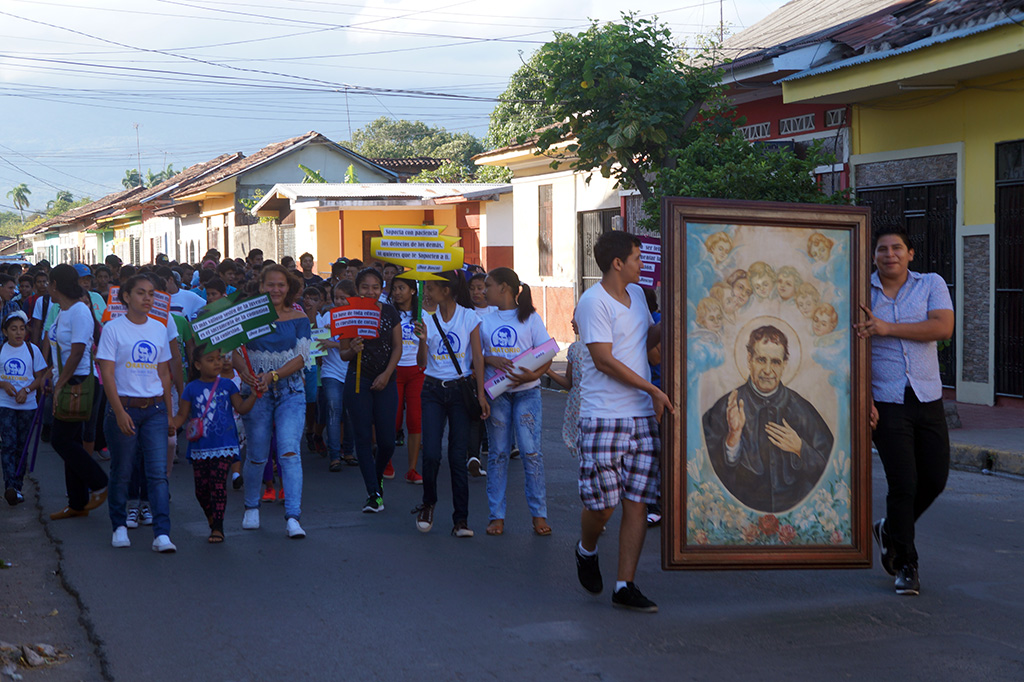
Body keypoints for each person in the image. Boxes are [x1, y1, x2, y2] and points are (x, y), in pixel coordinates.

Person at [573, 230, 672, 613]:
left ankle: (624, 585)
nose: (642, 264)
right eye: (636, 258)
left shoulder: (637, 299)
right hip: (603, 416)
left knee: (638, 503)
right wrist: (653, 389)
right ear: (618, 263)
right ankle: (586, 549)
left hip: (642, 416)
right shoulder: (593, 302)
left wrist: (672, 319)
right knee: (604, 506)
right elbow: (603, 360)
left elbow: (648, 343)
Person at [856, 228, 954, 597]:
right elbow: (851, 346)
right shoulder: (859, 291)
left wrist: (886, 327)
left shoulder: (930, 283)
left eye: (897, 248)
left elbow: (942, 327)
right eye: (882, 249)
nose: (890, 254)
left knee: (935, 479)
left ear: (910, 253)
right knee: (904, 483)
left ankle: (890, 530)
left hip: (927, 397)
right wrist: (863, 398)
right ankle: (906, 564)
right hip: (885, 401)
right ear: (874, 256)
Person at [701, 325, 834, 513]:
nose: (768, 370)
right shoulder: (726, 407)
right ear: (749, 360)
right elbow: (704, 471)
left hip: (794, 510)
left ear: (784, 365)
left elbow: (832, 469)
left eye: (776, 362)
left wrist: (800, 449)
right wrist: (733, 438)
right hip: (742, 511)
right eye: (761, 360)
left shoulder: (802, 410)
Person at [97, 274, 177, 552]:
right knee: (122, 470)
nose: (148, 299)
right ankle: (119, 526)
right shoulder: (113, 329)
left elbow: (164, 373)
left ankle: (162, 533)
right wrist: (118, 411)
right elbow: (106, 373)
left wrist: (168, 413)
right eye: (141, 293)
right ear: (126, 297)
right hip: (124, 407)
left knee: (157, 473)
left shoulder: (159, 328)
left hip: (154, 408)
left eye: (152, 294)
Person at [233, 264, 311, 539]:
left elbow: (302, 357)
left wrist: (274, 375)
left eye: (281, 285)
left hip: (290, 392)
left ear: (288, 287)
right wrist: (246, 372)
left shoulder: (299, 317)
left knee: (290, 452)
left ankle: (293, 516)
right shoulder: (247, 317)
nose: (276, 289)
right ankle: (251, 507)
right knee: (256, 455)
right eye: (271, 284)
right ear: (261, 286)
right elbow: (236, 351)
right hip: (256, 393)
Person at [411, 270, 489, 537]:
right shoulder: (425, 319)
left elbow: (477, 357)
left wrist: (481, 394)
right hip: (432, 390)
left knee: (457, 456)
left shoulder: (469, 317)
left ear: (446, 291)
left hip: (460, 391)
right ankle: (428, 504)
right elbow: (422, 362)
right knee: (431, 453)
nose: (427, 293)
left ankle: (461, 519)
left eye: (431, 288)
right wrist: (422, 341)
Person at [479, 267, 553, 537]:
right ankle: (496, 515)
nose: (484, 290)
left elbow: (546, 353)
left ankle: (539, 514)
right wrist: (490, 360)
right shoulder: (484, 321)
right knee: (498, 455)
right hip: (496, 395)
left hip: (527, 393)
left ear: (504, 288)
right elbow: (476, 357)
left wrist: (534, 375)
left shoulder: (531, 318)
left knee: (531, 453)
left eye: (488, 285)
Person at [172, 346, 257, 543]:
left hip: (225, 445)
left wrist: (253, 394)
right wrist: (169, 426)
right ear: (197, 365)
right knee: (201, 489)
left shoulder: (228, 385)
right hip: (200, 447)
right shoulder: (191, 388)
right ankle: (211, 517)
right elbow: (182, 416)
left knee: (218, 485)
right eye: (211, 360)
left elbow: (241, 408)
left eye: (219, 358)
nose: (217, 363)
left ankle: (218, 526)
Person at [46, 265, 109, 521]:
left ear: (56, 285)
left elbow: (78, 351)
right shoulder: (63, 311)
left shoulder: (80, 311)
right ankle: (77, 502)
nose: (48, 287)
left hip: (79, 382)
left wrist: (60, 383)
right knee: (68, 440)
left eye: (49, 283)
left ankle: (99, 481)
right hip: (66, 378)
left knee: (61, 440)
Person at [339, 268, 402, 513]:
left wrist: (387, 374)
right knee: (363, 438)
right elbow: (344, 354)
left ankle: (377, 477)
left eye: (375, 287)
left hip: (386, 379)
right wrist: (352, 349)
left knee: (387, 441)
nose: (370, 291)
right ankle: (373, 493)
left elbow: (397, 347)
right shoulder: (348, 314)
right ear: (357, 288)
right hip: (358, 381)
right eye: (365, 287)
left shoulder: (389, 312)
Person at [0, 312, 48, 505]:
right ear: (5, 332)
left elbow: (40, 377)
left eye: (22, 328)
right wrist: (4, 384)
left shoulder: (32, 350)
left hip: (28, 406)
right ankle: (9, 486)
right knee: (8, 445)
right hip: (5, 404)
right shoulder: (1, 350)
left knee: (22, 446)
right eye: (13, 329)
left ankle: (17, 487)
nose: (18, 333)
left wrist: (27, 390)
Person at [320, 280, 356, 471]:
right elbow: (319, 341)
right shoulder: (327, 317)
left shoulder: (357, 318)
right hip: (331, 372)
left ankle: (348, 451)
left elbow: (355, 346)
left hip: (350, 372)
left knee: (350, 414)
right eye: (336, 298)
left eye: (344, 297)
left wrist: (333, 344)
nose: (340, 301)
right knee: (334, 410)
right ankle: (335, 456)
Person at [391, 277, 424, 484]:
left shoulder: (423, 314)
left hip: (417, 371)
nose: (397, 292)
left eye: (401, 288)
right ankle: (387, 462)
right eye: (394, 288)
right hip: (394, 370)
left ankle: (412, 468)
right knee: (392, 419)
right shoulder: (388, 312)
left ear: (413, 290)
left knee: (414, 419)